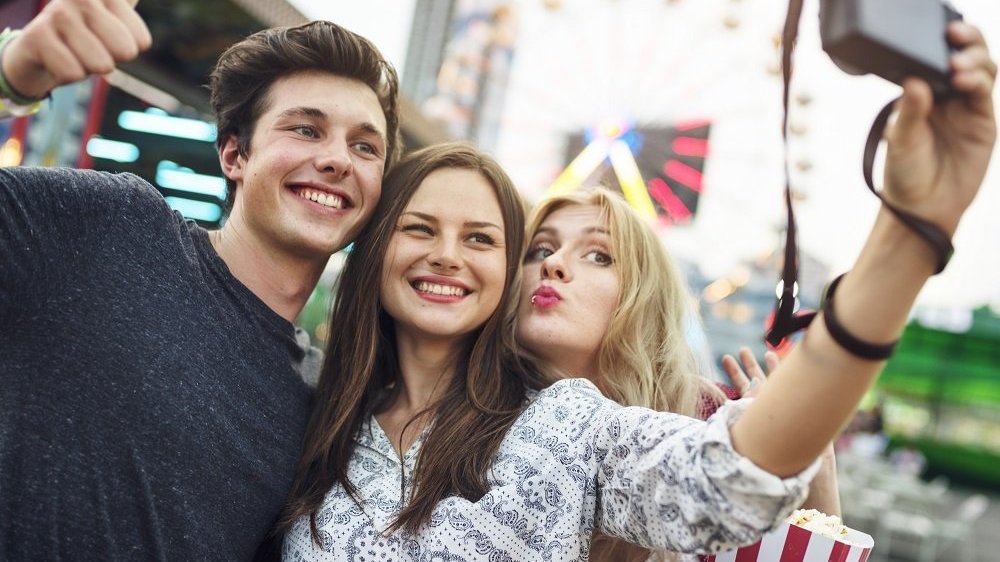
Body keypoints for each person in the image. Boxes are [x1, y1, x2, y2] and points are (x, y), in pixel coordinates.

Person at [278, 18, 994, 562]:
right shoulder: (313, 416)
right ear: (373, 251)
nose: (446, 256)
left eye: (481, 238)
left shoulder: (565, 426)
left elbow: (731, 479)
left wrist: (910, 234)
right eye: (418, 229)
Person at [0, 1, 401, 559]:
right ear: (235, 153)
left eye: (365, 146)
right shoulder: (112, 228)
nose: (338, 160)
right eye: (307, 129)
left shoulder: (325, 406)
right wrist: (14, 74)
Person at [514, 189, 841, 561]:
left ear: (643, 297)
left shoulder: (712, 420)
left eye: (599, 256)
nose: (553, 263)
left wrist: (813, 459)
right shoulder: (465, 409)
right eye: (540, 249)